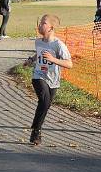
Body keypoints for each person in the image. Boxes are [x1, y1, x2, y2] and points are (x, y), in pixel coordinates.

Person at [24, 14, 73, 145]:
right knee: (44, 101)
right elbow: (39, 53)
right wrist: (31, 60)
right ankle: (36, 131)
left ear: (51, 27)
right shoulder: (38, 41)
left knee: (46, 105)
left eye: (43, 23)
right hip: (38, 75)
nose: (40, 25)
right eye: (40, 22)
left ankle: (36, 128)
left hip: (53, 79)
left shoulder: (58, 45)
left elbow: (69, 64)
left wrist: (53, 60)